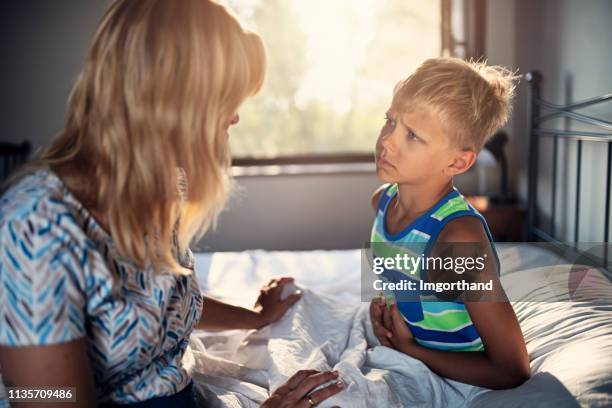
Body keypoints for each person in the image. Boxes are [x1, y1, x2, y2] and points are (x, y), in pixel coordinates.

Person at [0, 0, 344, 406]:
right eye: (227, 100)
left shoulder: (160, 184)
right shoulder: (36, 224)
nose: (234, 118)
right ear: (174, 102)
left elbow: (165, 301)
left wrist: (255, 318)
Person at [368, 58, 531, 389]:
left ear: (458, 161)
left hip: (454, 378)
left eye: (412, 135)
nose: (387, 140)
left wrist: (409, 349)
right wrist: (383, 305)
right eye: (390, 121)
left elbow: (512, 369)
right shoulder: (382, 202)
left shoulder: (458, 238)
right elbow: (401, 277)